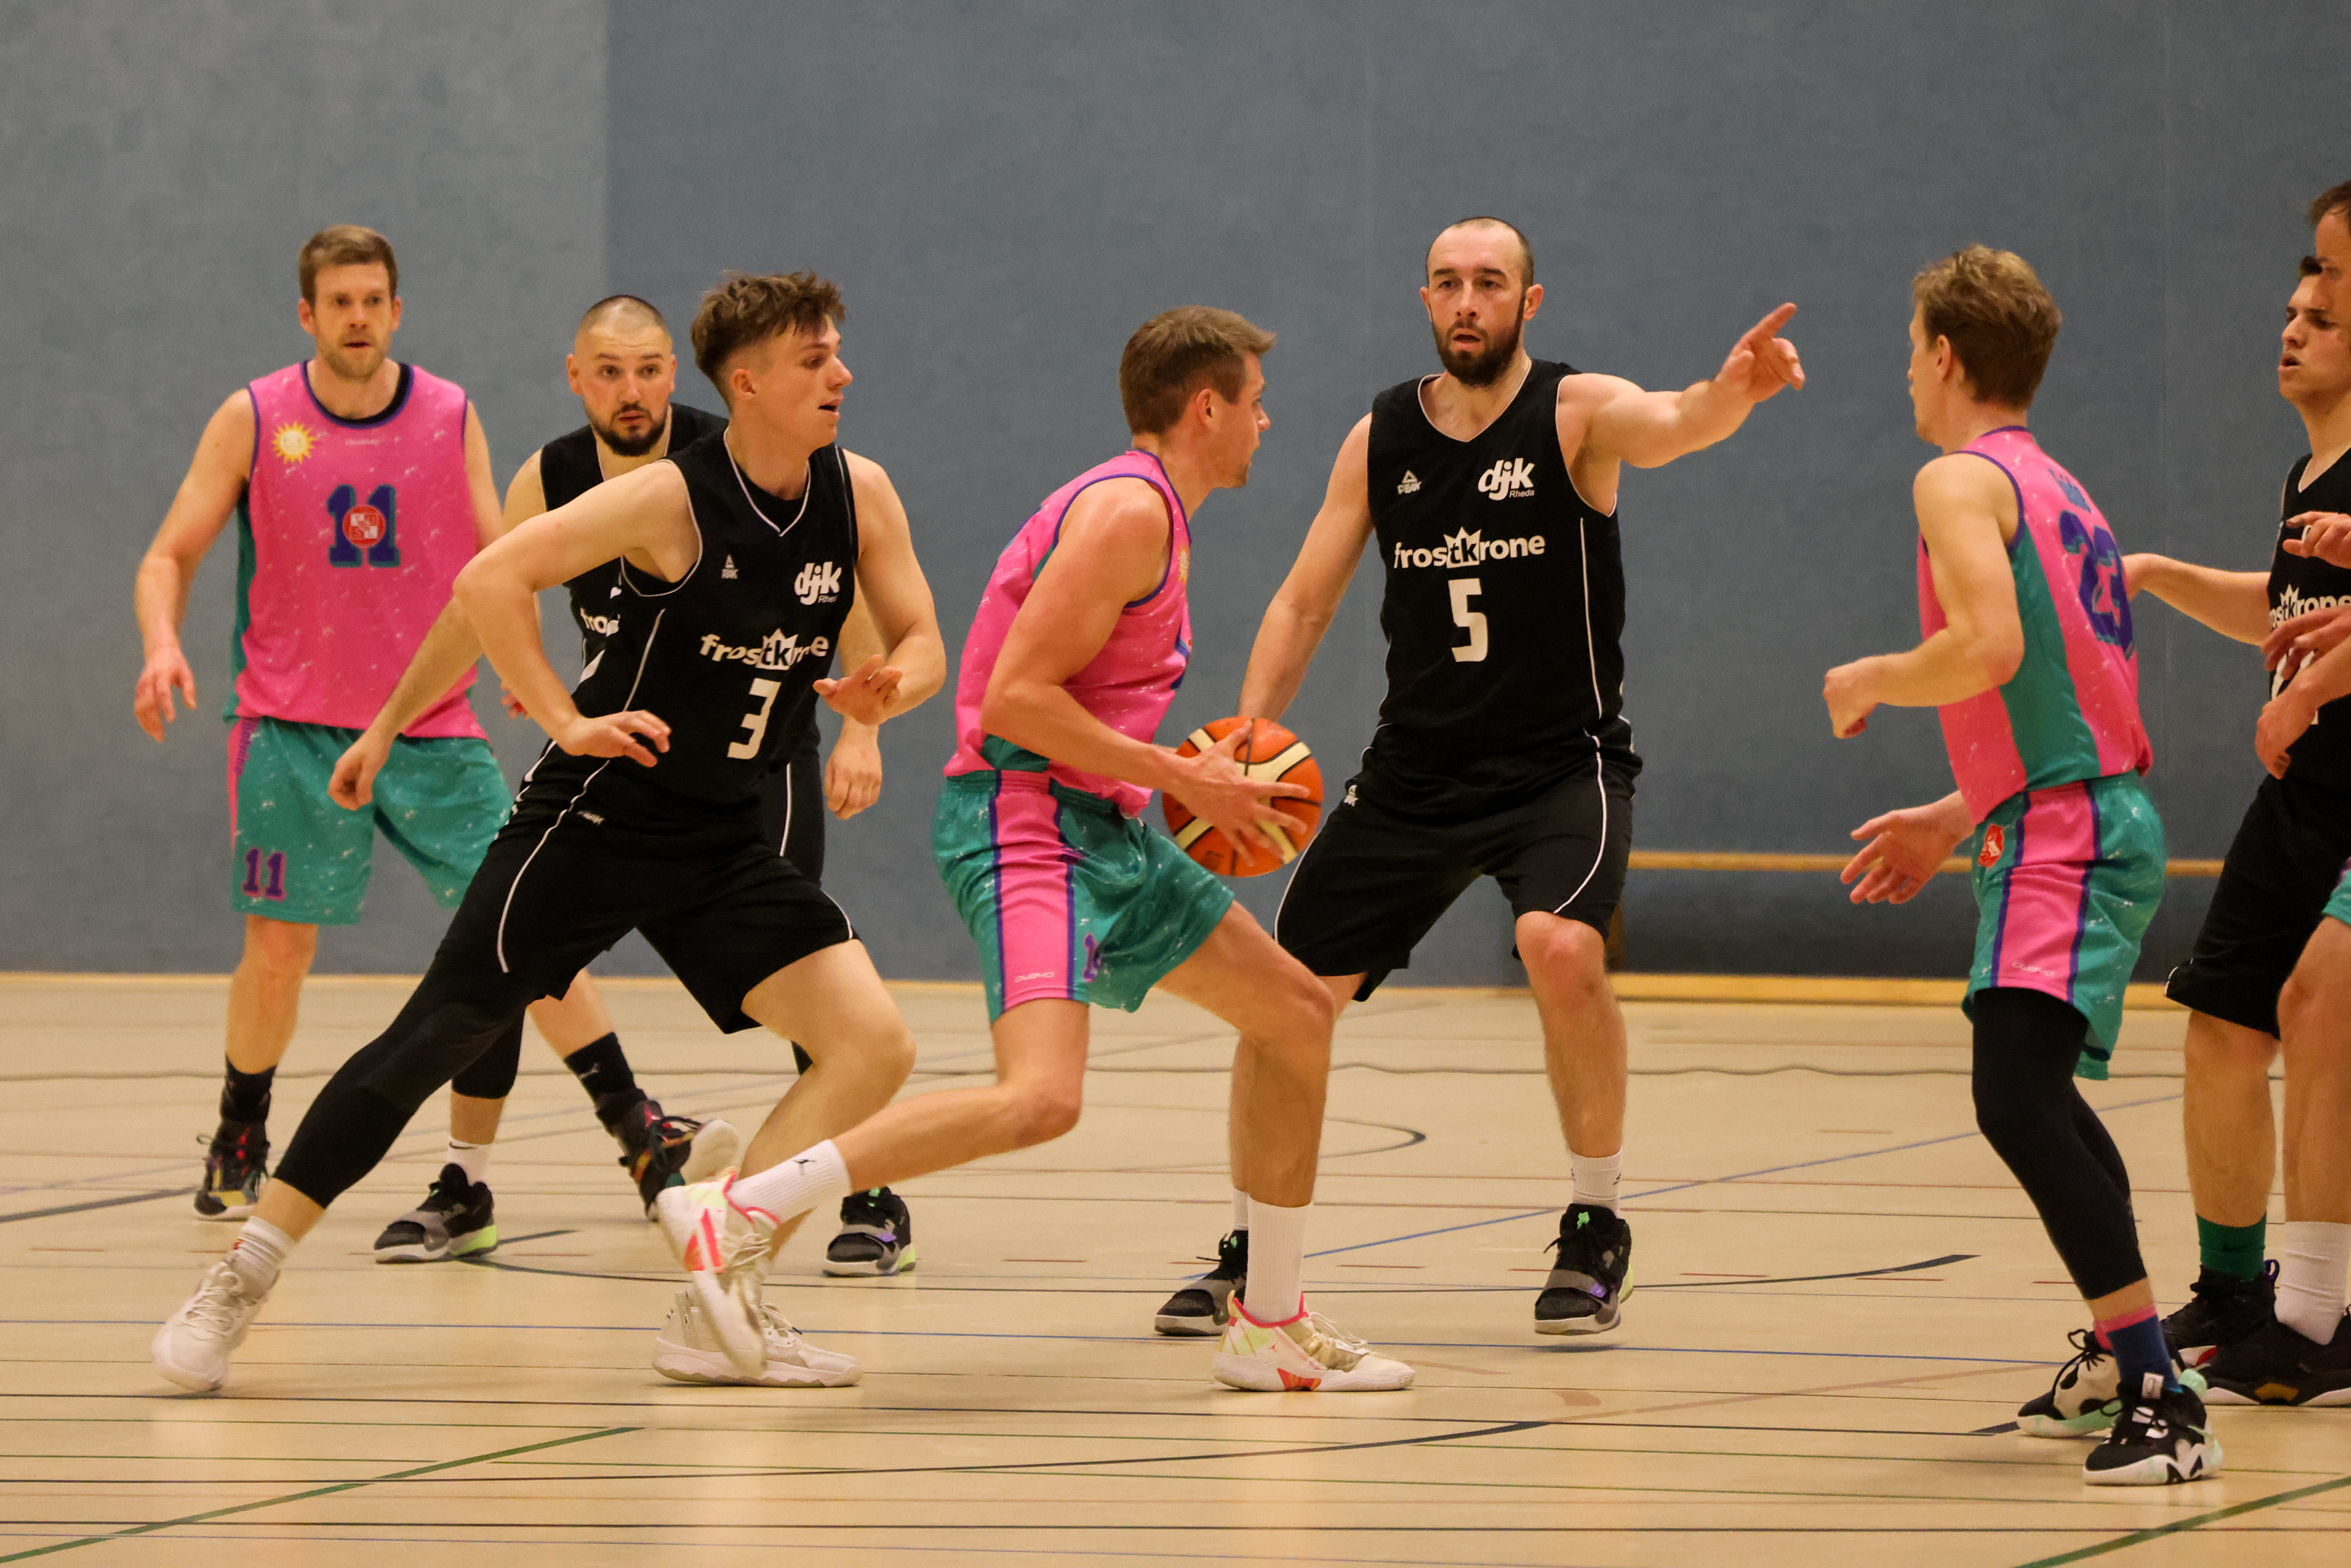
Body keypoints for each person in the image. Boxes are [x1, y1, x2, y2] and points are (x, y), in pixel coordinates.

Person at [151, 270, 946, 1394]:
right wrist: (564, 716)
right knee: (434, 1034)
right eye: (816, 358)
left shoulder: (859, 491)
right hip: (598, 818)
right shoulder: (667, 499)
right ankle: (242, 1272)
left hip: (724, 836)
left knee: (873, 1043)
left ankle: (717, 1292)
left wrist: (888, 692)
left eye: (837, 352)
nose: (842, 374)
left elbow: (923, 638)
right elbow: (492, 577)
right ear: (748, 381)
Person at [650, 306, 1415, 1393]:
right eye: (1255, 402)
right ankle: (737, 1211)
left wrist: (1162, 778)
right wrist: (1181, 776)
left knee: (1295, 1014)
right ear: (1206, 408)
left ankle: (1272, 1323)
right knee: (1041, 1098)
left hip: (1098, 822)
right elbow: (1014, 699)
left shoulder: (1156, 513)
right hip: (1025, 820)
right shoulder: (1126, 512)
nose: (1266, 421)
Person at [1155, 217, 1804, 1339]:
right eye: (1448, 282)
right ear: (1425, 299)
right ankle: (1255, 1243)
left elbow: (1672, 423)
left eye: (1490, 283)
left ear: (1527, 302)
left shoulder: (1575, 411)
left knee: (1561, 946)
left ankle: (1596, 1219)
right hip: (1415, 766)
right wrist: (1247, 734)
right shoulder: (1382, 436)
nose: (1467, 301)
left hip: (1560, 762)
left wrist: (1729, 393)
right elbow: (1304, 600)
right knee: (1281, 993)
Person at [332, 294, 918, 1271]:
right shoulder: (553, 475)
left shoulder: (734, 458)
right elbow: (479, 602)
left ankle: (858, 1187)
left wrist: (865, 728)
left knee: (818, 968)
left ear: (678, 375)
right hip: (623, 763)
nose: (631, 389)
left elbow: (839, 598)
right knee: (502, 959)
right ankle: (468, 1179)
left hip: (750, 759)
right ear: (577, 377)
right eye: (609, 371)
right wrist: (388, 723)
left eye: (648, 369)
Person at [130, 225, 616, 1230]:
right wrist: (161, 643)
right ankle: (241, 1125)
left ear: (397, 310)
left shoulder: (449, 413)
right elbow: (168, 553)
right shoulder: (255, 416)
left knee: (524, 921)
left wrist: (522, 665)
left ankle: (632, 1119)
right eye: (338, 302)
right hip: (291, 726)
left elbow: (504, 557)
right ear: (307, 314)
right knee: (279, 951)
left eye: (372, 301)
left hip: (432, 723)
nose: (357, 318)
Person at [1825, 246, 2217, 1484]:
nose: (1906, 373)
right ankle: (2126, 1349)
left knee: (2017, 1098)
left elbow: (1989, 647)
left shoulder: (1955, 478)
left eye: (1910, 350)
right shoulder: (2059, 486)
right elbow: (2063, 684)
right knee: (2037, 1094)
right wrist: (1957, 813)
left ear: (1944, 355)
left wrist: (1875, 676)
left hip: (2065, 831)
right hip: (2072, 813)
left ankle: (2159, 1389)